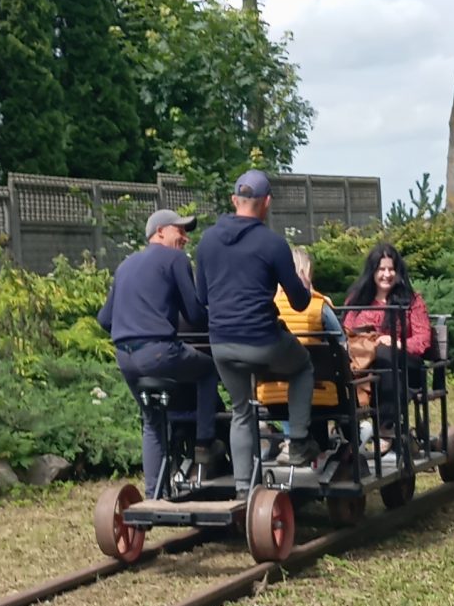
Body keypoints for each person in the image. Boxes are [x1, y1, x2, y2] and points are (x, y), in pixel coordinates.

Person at [194, 171, 314, 481]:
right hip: (263, 342)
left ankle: (243, 487)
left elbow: (201, 297)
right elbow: (299, 303)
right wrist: (302, 285)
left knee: (241, 410)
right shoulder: (273, 243)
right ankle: (298, 440)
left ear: (234, 200)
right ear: (267, 202)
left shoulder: (207, 241)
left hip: (221, 345)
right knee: (303, 366)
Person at [97, 206, 222, 495]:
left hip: (125, 357)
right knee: (208, 370)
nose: (185, 238)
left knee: (152, 423)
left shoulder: (125, 265)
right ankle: (205, 443)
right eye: (180, 231)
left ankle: (155, 494)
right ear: (160, 232)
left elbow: (104, 319)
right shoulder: (175, 259)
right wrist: (220, 322)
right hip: (159, 352)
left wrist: (133, 327)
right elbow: (194, 314)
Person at [344, 240, 433, 449]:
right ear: (372, 272)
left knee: (385, 352)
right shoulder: (356, 300)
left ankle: (387, 429)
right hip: (365, 365)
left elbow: (423, 339)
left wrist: (396, 343)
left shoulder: (411, 301)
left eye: (391, 269)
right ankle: (346, 432)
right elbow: (346, 332)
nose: (386, 274)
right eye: (381, 269)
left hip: (405, 366)